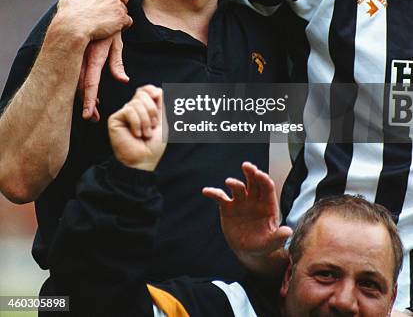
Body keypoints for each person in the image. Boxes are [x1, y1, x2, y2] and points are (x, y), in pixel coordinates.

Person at [0, 0, 409, 302]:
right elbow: (15, 176)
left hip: (221, 307)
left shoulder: (265, 26)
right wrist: (68, 32)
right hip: (100, 301)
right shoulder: (86, 24)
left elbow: (363, 119)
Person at [48, 85, 402, 317]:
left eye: (370, 284)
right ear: (287, 276)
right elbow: (86, 305)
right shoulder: (232, 311)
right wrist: (128, 177)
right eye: (326, 275)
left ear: (393, 300)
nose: (343, 301)